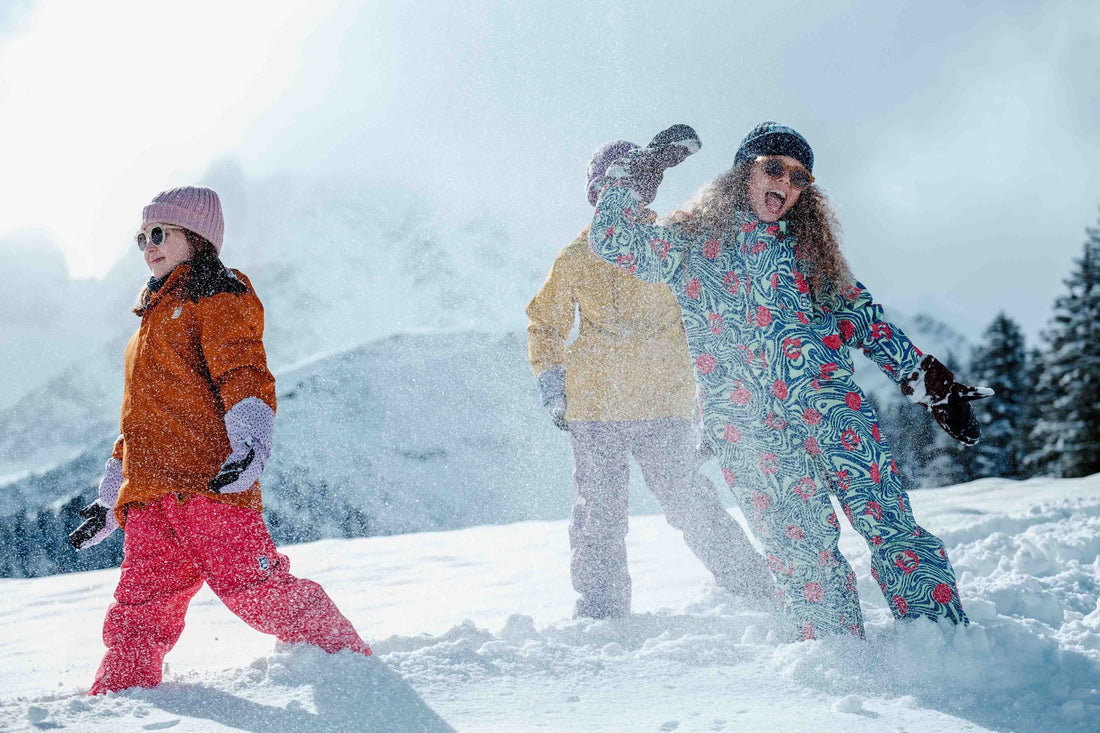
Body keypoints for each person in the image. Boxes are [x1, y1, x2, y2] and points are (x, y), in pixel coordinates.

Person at [587, 122, 992, 639]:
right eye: (773, 168)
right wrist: (633, 177)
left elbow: (867, 322)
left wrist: (934, 387)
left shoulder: (810, 254)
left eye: (800, 177)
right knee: (801, 554)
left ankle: (946, 644)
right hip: (749, 430)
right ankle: (839, 663)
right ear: (744, 173)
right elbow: (617, 242)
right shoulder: (689, 243)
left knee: (892, 527)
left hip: (833, 413)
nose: (787, 183)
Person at [70, 186, 370, 694]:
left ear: (198, 236)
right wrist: (109, 497)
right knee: (138, 611)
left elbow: (243, 371)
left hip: (211, 487)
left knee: (256, 590)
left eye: (159, 233)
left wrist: (250, 436)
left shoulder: (218, 297)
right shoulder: (144, 327)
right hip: (150, 501)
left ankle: (350, 665)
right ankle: (119, 702)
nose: (148, 245)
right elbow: (138, 423)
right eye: (141, 237)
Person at [526, 140, 776, 619]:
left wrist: (716, 392)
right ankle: (601, 610)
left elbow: (702, 318)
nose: (616, 196)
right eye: (606, 187)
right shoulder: (578, 256)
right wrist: (553, 387)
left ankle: (753, 587)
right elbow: (545, 323)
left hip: (664, 405)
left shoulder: (667, 245)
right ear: (595, 194)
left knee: (691, 502)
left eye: (627, 184)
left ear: (645, 188)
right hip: (596, 409)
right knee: (600, 514)